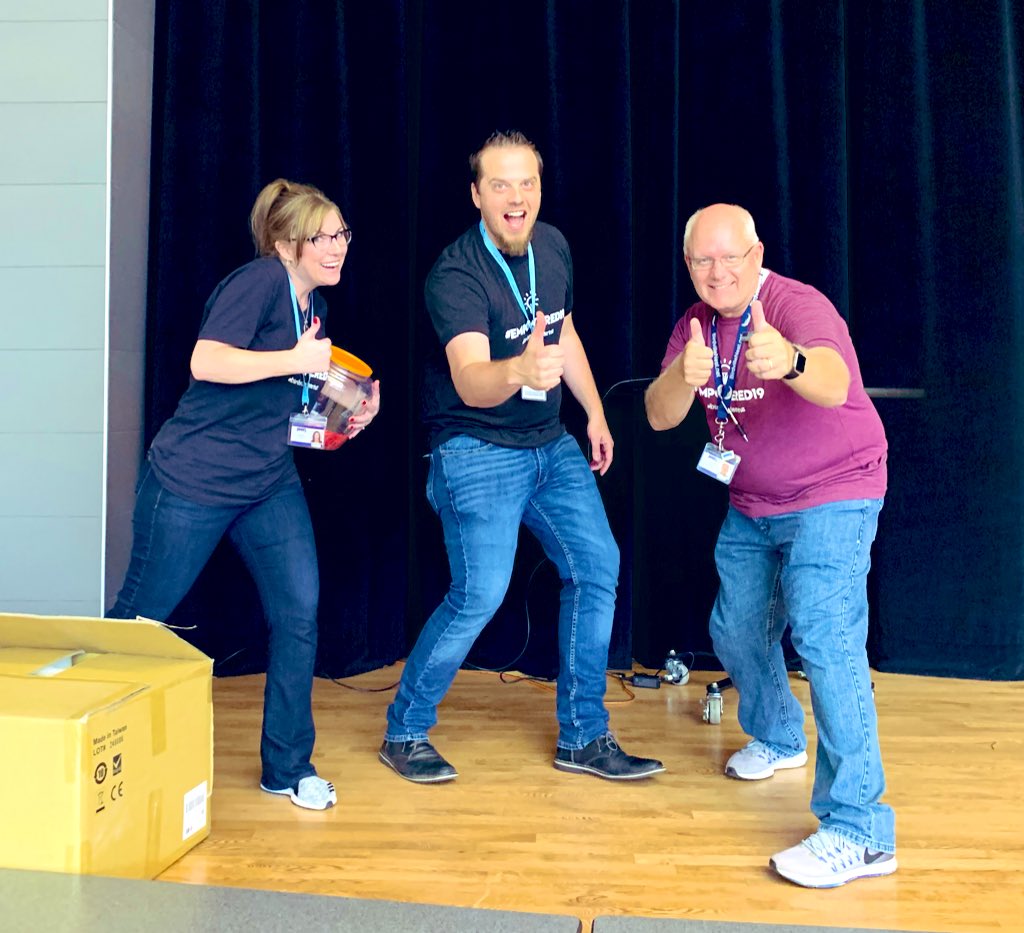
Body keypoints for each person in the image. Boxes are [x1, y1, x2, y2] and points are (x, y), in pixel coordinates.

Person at [380, 130, 663, 784]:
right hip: (474, 446)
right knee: (479, 593)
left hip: (548, 443)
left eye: (527, 183)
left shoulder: (552, 246)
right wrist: (520, 369)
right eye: (500, 184)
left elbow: (567, 333)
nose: (516, 197)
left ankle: (583, 738)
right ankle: (404, 730)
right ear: (477, 194)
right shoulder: (455, 274)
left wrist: (593, 412)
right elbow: (470, 380)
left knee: (597, 566)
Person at [108, 179, 380, 811]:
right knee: (140, 620)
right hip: (192, 481)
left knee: (298, 614)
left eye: (341, 234)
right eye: (321, 237)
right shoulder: (257, 282)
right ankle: (88, 745)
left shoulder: (313, 309)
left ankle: (287, 767)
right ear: (286, 245)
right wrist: (296, 360)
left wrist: (351, 409)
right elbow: (206, 361)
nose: (337, 246)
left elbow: (289, 403)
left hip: (267, 482)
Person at [645, 203, 896, 888]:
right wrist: (681, 376)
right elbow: (659, 415)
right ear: (689, 265)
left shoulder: (796, 304)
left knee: (824, 634)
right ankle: (781, 736)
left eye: (731, 257)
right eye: (703, 260)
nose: (718, 271)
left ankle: (862, 832)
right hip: (753, 504)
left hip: (835, 490)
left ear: (756, 256)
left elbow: (835, 383)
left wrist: (789, 360)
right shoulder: (694, 326)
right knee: (735, 629)